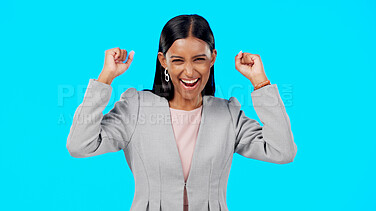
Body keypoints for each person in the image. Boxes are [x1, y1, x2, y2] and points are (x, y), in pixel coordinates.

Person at [66, 14, 297, 211]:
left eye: (199, 59)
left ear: (213, 59)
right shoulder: (136, 108)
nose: (189, 71)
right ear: (163, 61)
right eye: (177, 60)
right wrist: (105, 78)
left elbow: (282, 151)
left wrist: (260, 82)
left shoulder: (228, 114)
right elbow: (80, 145)